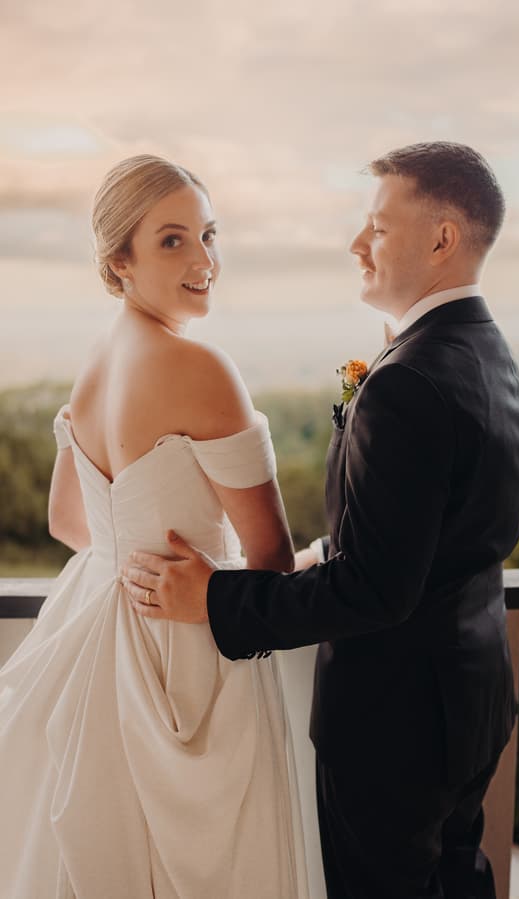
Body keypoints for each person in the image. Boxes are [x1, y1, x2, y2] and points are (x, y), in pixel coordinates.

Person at [122, 142, 519, 898]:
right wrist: (324, 550)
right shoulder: (489, 353)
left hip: (396, 724)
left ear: (442, 239)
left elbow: (376, 592)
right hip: (469, 694)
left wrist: (213, 598)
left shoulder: (408, 379)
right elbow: (434, 532)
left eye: (377, 228)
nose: (356, 244)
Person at [0, 154, 308, 899]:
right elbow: (271, 558)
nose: (205, 259)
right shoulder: (200, 367)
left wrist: (127, 560)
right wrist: (200, 579)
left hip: (95, 629)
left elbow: (67, 519)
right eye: (173, 240)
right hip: (185, 650)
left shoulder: (97, 359)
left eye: (208, 233)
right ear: (119, 260)